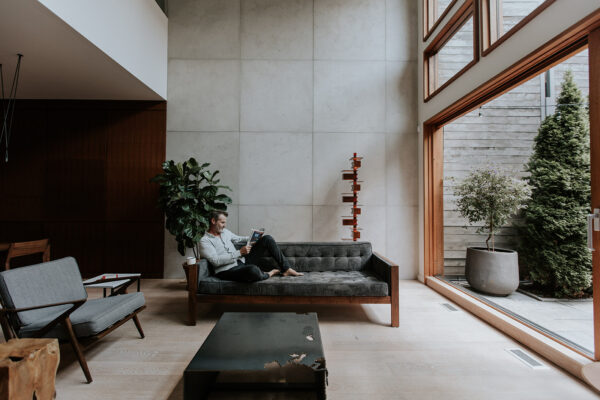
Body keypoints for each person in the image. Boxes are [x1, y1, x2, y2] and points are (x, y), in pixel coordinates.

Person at [199, 210, 303, 282]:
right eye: (222, 222)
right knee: (252, 270)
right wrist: (239, 253)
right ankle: (269, 274)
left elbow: (239, 239)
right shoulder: (205, 241)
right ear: (213, 221)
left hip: (242, 262)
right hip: (227, 270)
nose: (224, 225)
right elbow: (216, 261)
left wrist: (255, 237)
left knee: (268, 239)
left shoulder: (225, 232)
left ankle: (286, 269)